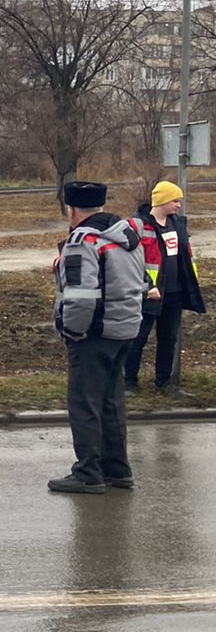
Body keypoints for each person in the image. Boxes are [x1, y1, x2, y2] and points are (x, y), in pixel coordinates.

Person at [48, 180, 146, 494]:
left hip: (93, 333)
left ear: (71, 209)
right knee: (111, 401)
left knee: (85, 403)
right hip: (126, 327)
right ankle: (117, 469)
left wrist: (73, 331)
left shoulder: (82, 240)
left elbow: (81, 295)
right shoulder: (125, 233)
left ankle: (88, 472)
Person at [125, 181, 206, 396]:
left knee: (168, 338)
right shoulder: (138, 225)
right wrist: (147, 286)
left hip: (174, 292)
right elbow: (130, 261)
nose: (179, 205)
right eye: (175, 200)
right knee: (138, 338)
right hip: (148, 294)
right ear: (162, 201)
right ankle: (128, 383)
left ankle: (164, 383)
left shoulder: (178, 223)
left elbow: (184, 255)